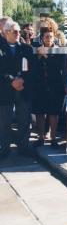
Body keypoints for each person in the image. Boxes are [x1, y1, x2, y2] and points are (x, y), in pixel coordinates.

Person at [0, 20, 35, 158]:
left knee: (24, 120)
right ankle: (5, 148)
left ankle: (24, 147)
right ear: (6, 32)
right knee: (4, 121)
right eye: (15, 31)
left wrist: (22, 80)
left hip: (23, 89)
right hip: (5, 91)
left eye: (19, 31)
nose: (18, 34)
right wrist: (11, 81)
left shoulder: (26, 48)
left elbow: (33, 70)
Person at [31, 28, 67, 148]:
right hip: (39, 86)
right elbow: (33, 67)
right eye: (46, 36)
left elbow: (59, 67)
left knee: (54, 113)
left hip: (55, 86)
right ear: (42, 38)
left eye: (51, 36)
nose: (49, 39)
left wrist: (45, 56)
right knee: (40, 112)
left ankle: (53, 138)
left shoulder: (59, 50)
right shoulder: (37, 49)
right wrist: (39, 56)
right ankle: (41, 137)